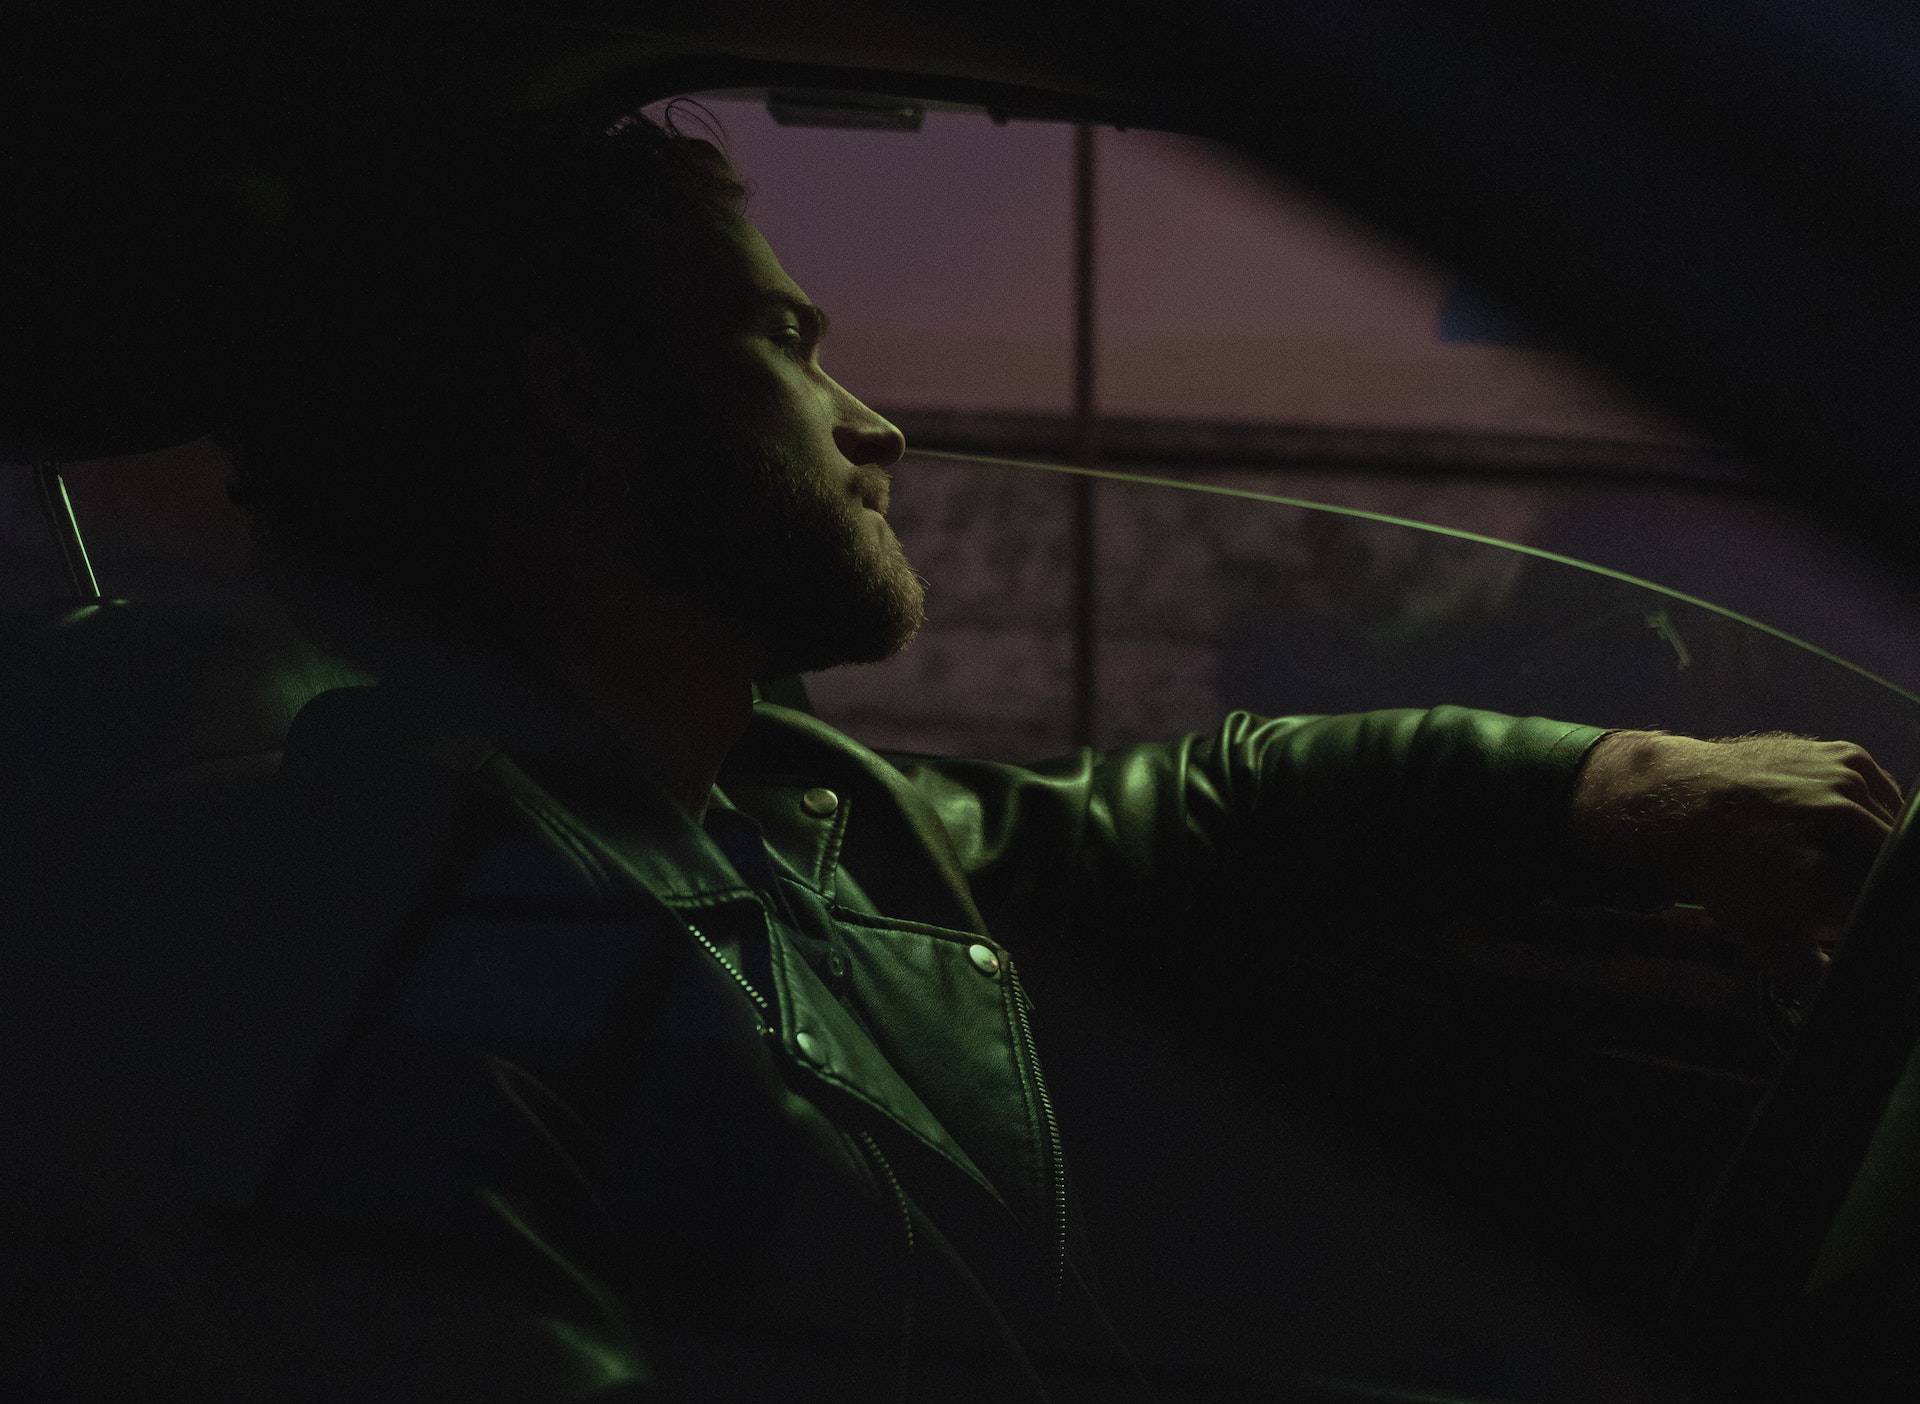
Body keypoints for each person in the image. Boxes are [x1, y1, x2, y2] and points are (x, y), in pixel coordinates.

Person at [192, 97, 1903, 1400]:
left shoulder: (782, 802)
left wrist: (1622, 787)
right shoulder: (408, 941)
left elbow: (1195, 811)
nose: (879, 421)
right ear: (578, 406)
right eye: (786, 345)